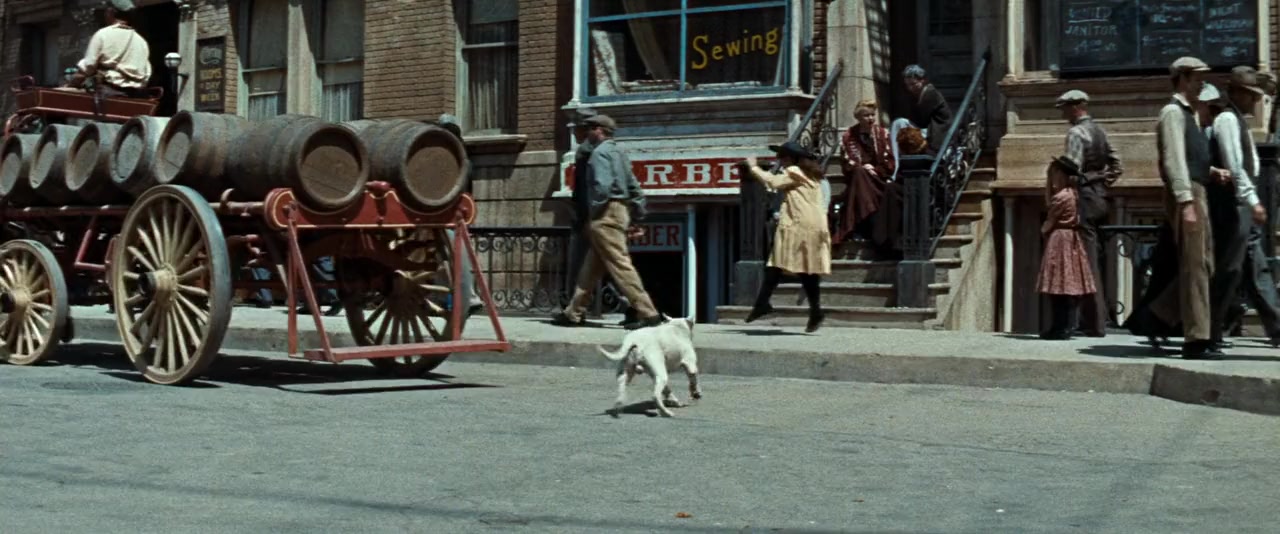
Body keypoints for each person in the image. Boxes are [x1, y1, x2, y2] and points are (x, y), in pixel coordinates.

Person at [551, 114, 666, 330]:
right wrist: (637, 214)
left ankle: (648, 314)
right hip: (620, 210)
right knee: (592, 266)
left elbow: (601, 188)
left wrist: (593, 212)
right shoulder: (619, 152)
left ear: (599, 130)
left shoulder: (599, 153)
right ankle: (574, 312)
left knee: (620, 264)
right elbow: (634, 186)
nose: (586, 133)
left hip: (606, 213)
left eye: (589, 129)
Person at [1140, 57, 1221, 360]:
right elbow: (1174, 159)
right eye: (1198, 79)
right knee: (1195, 266)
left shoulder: (1191, 115)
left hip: (1198, 190)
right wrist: (1185, 200)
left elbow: (1189, 157)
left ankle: (1159, 314)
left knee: (1206, 263)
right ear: (1183, 79)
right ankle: (1196, 339)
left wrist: (1212, 172)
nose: (1202, 85)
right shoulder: (1172, 113)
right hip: (1189, 194)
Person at [1205, 68, 1280, 347]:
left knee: (1257, 268)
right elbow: (1234, 166)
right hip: (1233, 204)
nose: (1255, 101)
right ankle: (1211, 331)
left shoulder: (1238, 120)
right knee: (1230, 270)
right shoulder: (1227, 119)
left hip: (1243, 203)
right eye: (1250, 95)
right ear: (1236, 93)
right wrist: (1253, 201)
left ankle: (1277, 327)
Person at [741, 141, 833, 333]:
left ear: (791, 158)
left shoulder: (794, 171)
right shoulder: (812, 174)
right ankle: (813, 311)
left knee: (779, 264)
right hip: (814, 225)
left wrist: (754, 167)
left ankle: (763, 304)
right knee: (804, 269)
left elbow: (773, 182)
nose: (780, 160)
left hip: (798, 225)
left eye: (782, 157)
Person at [1056, 89, 1123, 337]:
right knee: (1096, 259)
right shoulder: (1100, 131)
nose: (1063, 113)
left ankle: (1094, 323)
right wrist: (1102, 181)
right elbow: (1117, 165)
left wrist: (1079, 181)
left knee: (1087, 261)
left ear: (1076, 107)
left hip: (1084, 200)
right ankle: (1095, 319)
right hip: (1101, 199)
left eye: (1065, 108)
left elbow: (1072, 171)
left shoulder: (1075, 133)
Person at [1038, 157, 1098, 340]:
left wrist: (1044, 229)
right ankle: (1068, 326)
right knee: (1068, 285)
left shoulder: (1061, 197)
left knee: (1058, 285)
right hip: (1072, 238)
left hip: (1060, 239)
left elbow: (1049, 222)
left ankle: (1060, 327)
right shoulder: (1074, 194)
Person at [836, 99, 900, 259]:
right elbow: (846, 163)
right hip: (858, 179)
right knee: (859, 173)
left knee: (861, 178)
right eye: (866, 115)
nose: (871, 119)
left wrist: (875, 170)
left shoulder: (882, 134)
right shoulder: (849, 136)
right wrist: (863, 167)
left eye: (872, 115)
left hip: (879, 180)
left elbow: (890, 162)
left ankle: (865, 225)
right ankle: (872, 223)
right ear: (858, 117)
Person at [63, 1, 151, 97]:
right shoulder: (141, 41)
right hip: (136, 95)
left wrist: (70, 85)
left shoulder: (103, 34)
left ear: (110, 12)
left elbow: (88, 67)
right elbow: (146, 73)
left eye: (105, 11)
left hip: (109, 93)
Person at [890, 65, 953, 178]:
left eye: (913, 84)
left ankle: (897, 166)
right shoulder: (919, 94)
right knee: (899, 125)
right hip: (926, 129)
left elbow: (921, 120)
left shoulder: (931, 93)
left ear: (922, 80)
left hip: (936, 133)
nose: (910, 88)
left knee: (898, 124)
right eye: (908, 85)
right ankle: (898, 163)